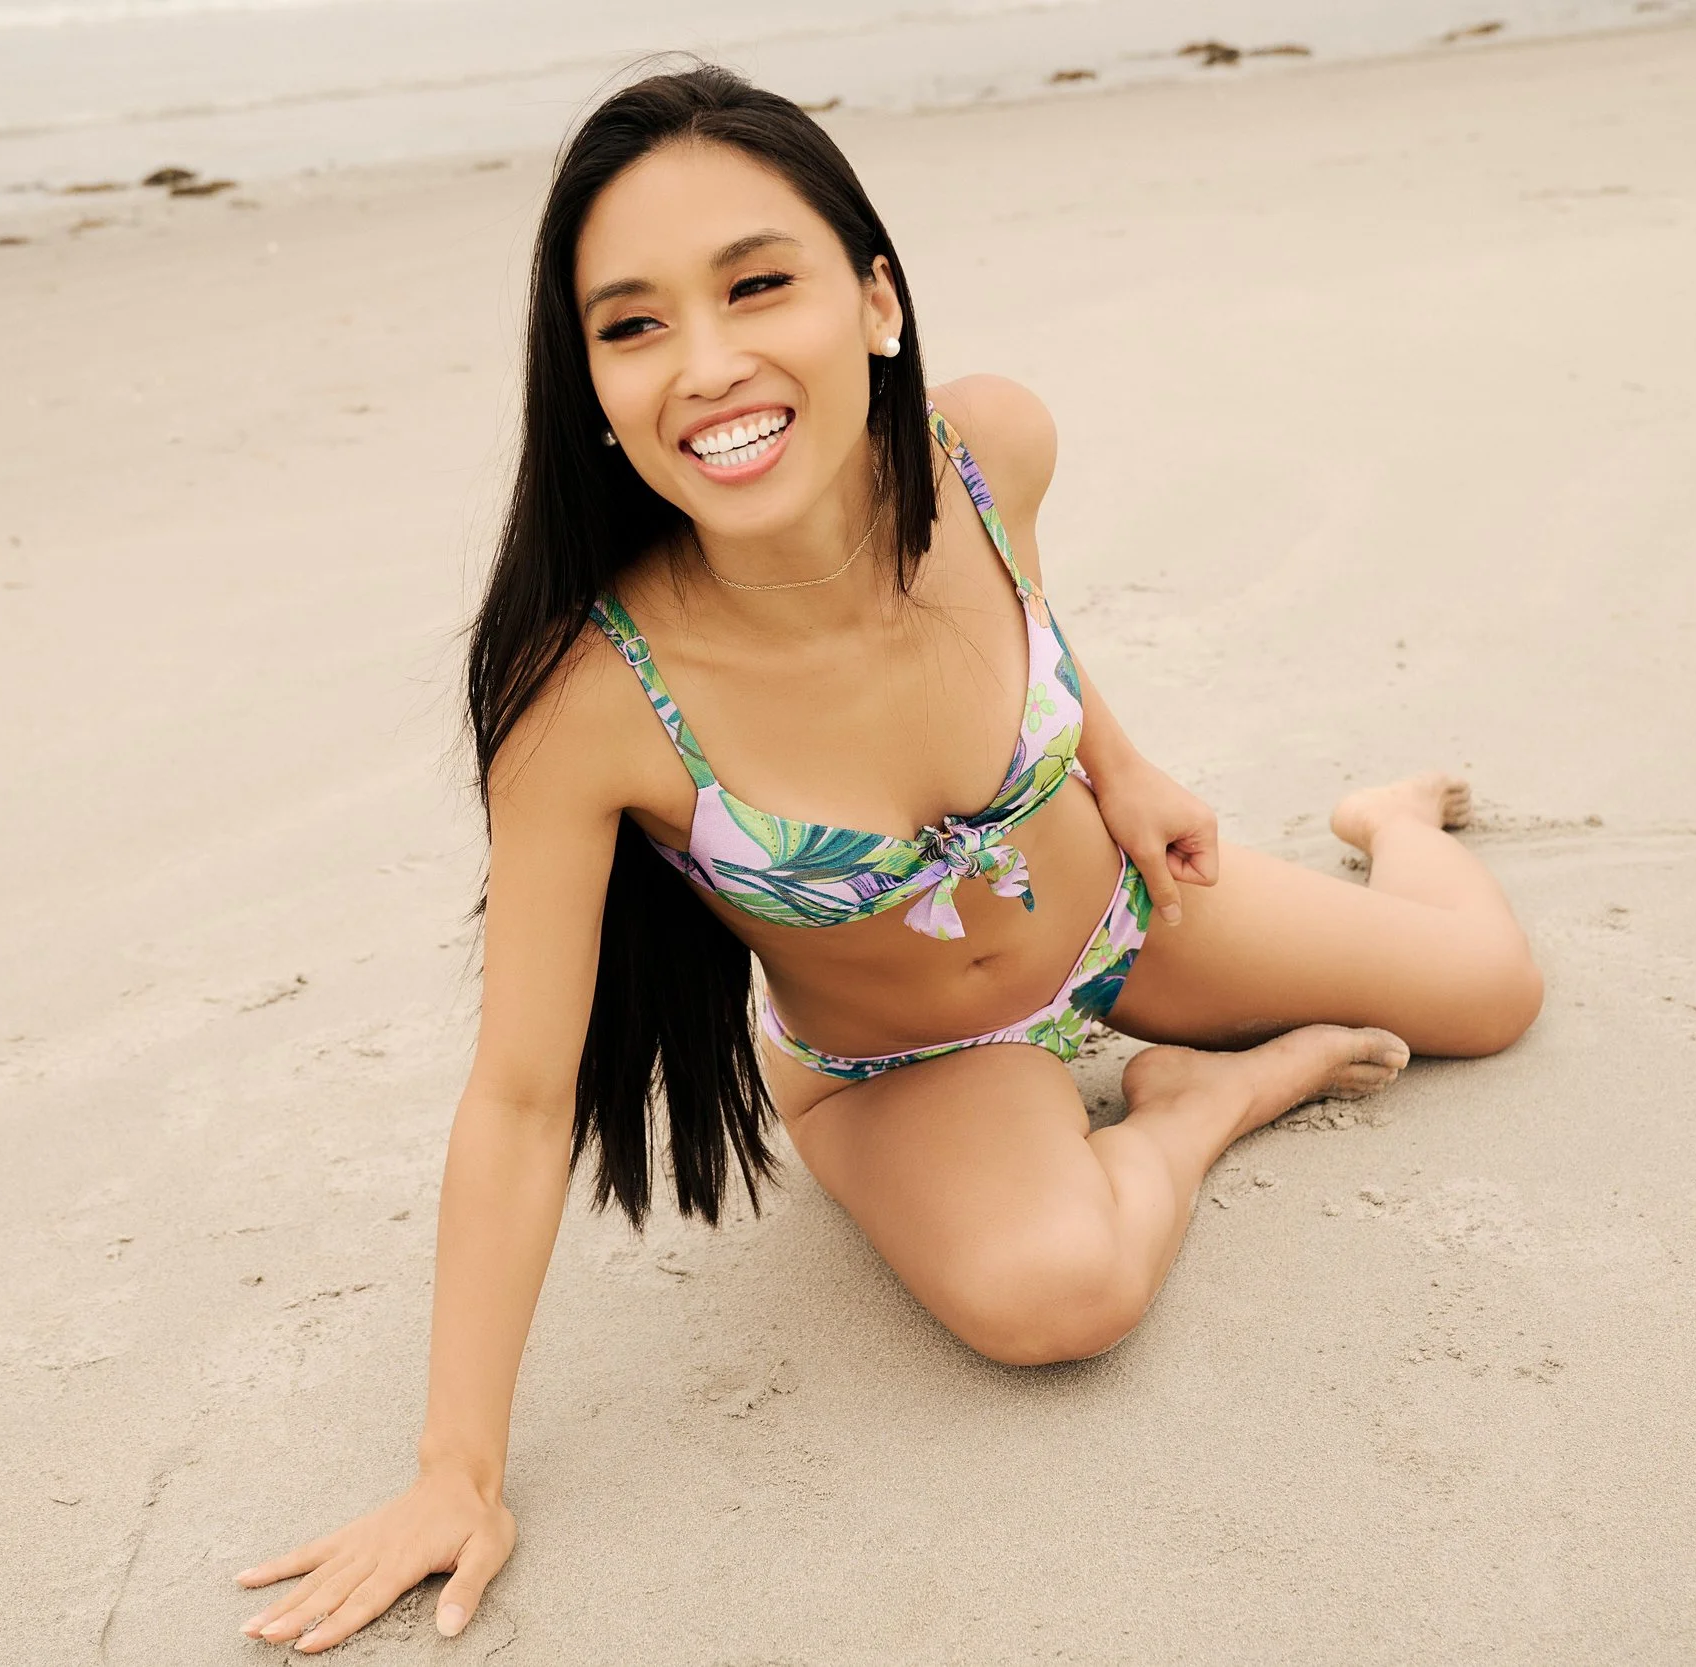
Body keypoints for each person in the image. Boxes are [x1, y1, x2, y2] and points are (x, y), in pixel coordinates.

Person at [235, 63, 1542, 1653]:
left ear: (875, 299)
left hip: (1130, 918)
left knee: (1497, 990)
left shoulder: (987, 449)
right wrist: (459, 1469)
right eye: (633, 324)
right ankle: (1210, 1102)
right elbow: (518, 1097)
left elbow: (1033, 617)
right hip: (905, 1063)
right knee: (1059, 1299)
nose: (709, 366)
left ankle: (1382, 824)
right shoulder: (584, 705)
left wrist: (1122, 768)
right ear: (584, 384)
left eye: (757, 285)